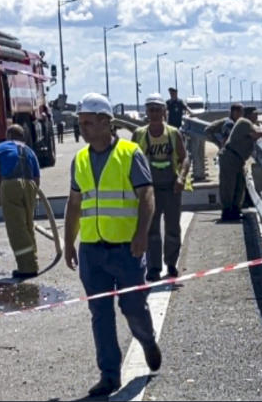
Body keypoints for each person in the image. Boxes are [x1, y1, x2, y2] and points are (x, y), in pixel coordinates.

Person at [63, 93, 162, 397]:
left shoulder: (130, 154)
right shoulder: (79, 160)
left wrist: (142, 234)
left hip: (126, 249)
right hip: (93, 251)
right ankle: (109, 375)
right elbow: (75, 204)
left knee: (133, 307)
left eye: (89, 123)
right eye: (80, 123)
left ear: (107, 123)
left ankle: (146, 340)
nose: (83, 129)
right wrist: (68, 243)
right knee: (100, 313)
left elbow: (146, 195)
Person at [132, 93, 190, 281]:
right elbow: (130, 161)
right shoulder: (139, 135)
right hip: (149, 190)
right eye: (151, 110)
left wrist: (181, 178)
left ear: (164, 112)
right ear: (146, 112)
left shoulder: (173, 133)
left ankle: (171, 264)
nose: (155, 114)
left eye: (158, 110)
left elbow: (185, 158)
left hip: (171, 188)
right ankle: (154, 268)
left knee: (173, 228)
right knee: (151, 230)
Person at [0, 124, 42, 278]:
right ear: (22, 137)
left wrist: (1, 195)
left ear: (8, 136)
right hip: (30, 185)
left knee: (16, 228)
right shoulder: (30, 151)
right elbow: (37, 177)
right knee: (27, 226)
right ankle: (33, 261)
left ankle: (27, 268)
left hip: (10, 185)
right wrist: (31, 196)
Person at [218, 106, 262, 221]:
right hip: (230, 157)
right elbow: (255, 133)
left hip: (237, 159)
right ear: (248, 114)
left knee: (239, 186)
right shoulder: (244, 122)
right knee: (228, 187)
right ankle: (227, 213)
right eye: (255, 114)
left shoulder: (248, 124)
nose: (257, 116)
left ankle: (235, 211)